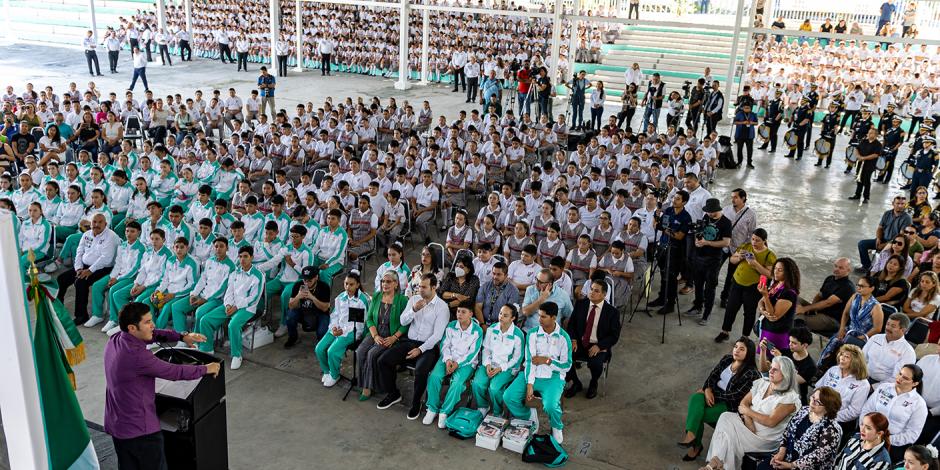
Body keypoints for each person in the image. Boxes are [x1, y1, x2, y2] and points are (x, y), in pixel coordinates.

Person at [104, 302, 219, 470]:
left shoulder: (116, 339)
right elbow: (174, 372)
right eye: (147, 322)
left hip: (118, 425)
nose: (153, 325)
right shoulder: (137, 356)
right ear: (132, 328)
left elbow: (153, 334)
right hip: (140, 430)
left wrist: (181, 336)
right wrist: (206, 368)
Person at [702, 356, 801, 470]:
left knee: (728, 432)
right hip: (748, 427)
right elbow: (744, 402)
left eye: (775, 369)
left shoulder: (789, 398)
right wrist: (749, 421)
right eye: (771, 368)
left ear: (785, 374)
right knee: (726, 418)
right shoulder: (763, 383)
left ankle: (714, 464)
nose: (770, 371)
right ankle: (717, 463)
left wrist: (747, 412)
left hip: (764, 438)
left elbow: (770, 421)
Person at [376, 273, 449, 420]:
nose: (420, 290)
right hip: (409, 342)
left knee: (421, 371)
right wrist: (413, 310)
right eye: (418, 286)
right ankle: (393, 394)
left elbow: (437, 336)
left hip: (428, 347)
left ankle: (416, 404)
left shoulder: (442, 307)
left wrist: (420, 350)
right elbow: (403, 322)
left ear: (434, 287)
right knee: (383, 360)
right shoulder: (414, 299)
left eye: (424, 287)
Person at [679, 338, 761, 461]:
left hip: (729, 404)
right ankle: (691, 436)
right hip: (713, 394)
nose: (736, 350)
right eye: (736, 346)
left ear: (748, 353)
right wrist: (707, 389)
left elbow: (735, 395)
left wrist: (711, 393)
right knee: (696, 397)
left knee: (699, 415)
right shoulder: (727, 359)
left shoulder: (751, 373)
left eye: (741, 349)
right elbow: (713, 375)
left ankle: (695, 445)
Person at [503, 301, 572, 444]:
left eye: (543, 317)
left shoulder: (563, 338)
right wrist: (529, 383)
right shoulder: (532, 334)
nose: (539, 320)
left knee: (551, 406)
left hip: (553, 377)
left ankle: (556, 426)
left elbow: (567, 365)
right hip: (531, 374)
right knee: (508, 396)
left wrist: (548, 361)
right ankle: (527, 416)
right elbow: (529, 361)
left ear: (554, 317)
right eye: (539, 316)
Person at [193, 245, 265, 370]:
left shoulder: (258, 275)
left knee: (233, 325)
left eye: (246, 257)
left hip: (247, 308)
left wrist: (236, 307)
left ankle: (237, 355)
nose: (242, 259)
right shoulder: (235, 272)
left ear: (252, 258)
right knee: (206, 319)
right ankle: (207, 349)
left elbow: (254, 298)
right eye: (240, 256)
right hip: (230, 305)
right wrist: (227, 304)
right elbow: (229, 292)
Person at [422, 300, 484, 427]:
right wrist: (449, 359)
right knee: (434, 377)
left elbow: (472, 353)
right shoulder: (451, 326)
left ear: (471, 314)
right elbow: (445, 345)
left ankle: (445, 411)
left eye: (463, 312)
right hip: (447, 359)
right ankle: (432, 408)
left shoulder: (477, 331)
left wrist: (457, 363)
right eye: (458, 311)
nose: (459, 314)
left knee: (457, 383)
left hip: (466, 363)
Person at [755, 387, 844, 470]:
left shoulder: (832, 429)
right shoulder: (804, 410)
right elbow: (787, 432)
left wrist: (791, 465)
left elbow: (818, 456)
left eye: (818, 402)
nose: (812, 402)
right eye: (813, 397)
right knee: (763, 467)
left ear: (828, 408)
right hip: (788, 456)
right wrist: (781, 452)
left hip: (806, 467)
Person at [716, 228, 776, 343]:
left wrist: (755, 263)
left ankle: (745, 336)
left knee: (749, 312)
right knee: (730, 308)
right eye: (753, 239)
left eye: (757, 240)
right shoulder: (746, 246)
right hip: (737, 282)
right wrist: (739, 257)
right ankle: (725, 331)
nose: (754, 242)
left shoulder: (769, 255)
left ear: (764, 241)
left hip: (752, 287)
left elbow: (769, 274)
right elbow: (732, 260)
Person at [356, 270, 409, 401]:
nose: (385, 284)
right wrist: (374, 336)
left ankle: (369, 387)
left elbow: (406, 324)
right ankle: (364, 383)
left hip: (391, 335)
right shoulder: (377, 296)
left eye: (388, 281)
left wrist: (394, 337)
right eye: (383, 281)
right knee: (360, 351)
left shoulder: (403, 300)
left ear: (396, 284)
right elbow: (369, 319)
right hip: (376, 332)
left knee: (372, 354)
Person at [57, 213, 119, 324]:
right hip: (84, 266)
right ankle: (58, 308)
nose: (97, 224)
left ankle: (81, 315)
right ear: (90, 224)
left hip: (104, 268)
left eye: (100, 222)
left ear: (105, 224)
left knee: (81, 282)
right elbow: (79, 252)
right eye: (94, 222)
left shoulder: (111, 236)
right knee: (61, 279)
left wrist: (89, 271)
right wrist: (78, 268)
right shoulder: (86, 234)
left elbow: (106, 259)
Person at [564, 279, 621, 400]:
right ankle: (576, 382)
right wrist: (573, 339)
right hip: (580, 343)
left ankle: (593, 382)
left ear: (604, 295)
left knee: (596, 363)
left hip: (598, 345)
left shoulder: (612, 312)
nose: (592, 293)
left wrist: (600, 346)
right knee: (563, 356)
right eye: (591, 289)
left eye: (596, 291)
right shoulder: (581, 304)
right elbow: (572, 325)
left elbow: (614, 335)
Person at [860, 364, 928, 461]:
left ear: (915, 383)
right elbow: (866, 409)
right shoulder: (883, 387)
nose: (899, 378)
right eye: (900, 374)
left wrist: (882, 439)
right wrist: (864, 429)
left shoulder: (919, 404)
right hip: (866, 433)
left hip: (892, 444)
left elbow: (912, 435)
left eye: (905, 378)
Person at [316, 271, 368, 387]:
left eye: (351, 284)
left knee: (332, 351)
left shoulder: (361, 301)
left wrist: (342, 331)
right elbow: (334, 315)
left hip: (352, 332)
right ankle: (327, 371)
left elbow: (359, 325)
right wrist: (334, 327)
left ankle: (335, 375)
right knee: (319, 348)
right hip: (338, 329)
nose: (348, 287)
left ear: (358, 285)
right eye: (346, 284)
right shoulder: (340, 297)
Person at [471, 303, 525, 416]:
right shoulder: (492, 329)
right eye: (500, 313)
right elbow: (486, 349)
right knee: (477, 383)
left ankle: (497, 411)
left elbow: (517, 358)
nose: (501, 317)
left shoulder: (518, 334)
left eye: (505, 315)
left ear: (513, 318)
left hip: (508, 368)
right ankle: (483, 406)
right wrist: (487, 364)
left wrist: (501, 368)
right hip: (490, 364)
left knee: (495, 388)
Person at [689, 198, 732, 324]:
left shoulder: (725, 222)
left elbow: (726, 242)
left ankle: (706, 314)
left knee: (710, 287)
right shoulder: (706, 217)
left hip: (713, 259)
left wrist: (707, 242)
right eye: (707, 212)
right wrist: (697, 240)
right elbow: (700, 232)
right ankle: (697, 306)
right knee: (698, 284)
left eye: (711, 212)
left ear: (717, 210)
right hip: (699, 256)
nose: (708, 214)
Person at [649, 190, 692, 315]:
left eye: (678, 199)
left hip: (675, 251)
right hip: (662, 246)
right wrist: (656, 218)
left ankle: (671, 303)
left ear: (684, 202)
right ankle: (662, 298)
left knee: (671, 277)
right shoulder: (668, 211)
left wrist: (665, 229)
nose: (674, 200)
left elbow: (679, 236)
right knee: (663, 274)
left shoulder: (686, 217)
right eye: (674, 198)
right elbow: (657, 226)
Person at [816, 344, 873, 434]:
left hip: (840, 422)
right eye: (841, 354)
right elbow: (818, 389)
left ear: (856, 361)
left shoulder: (863, 384)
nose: (842, 358)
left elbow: (854, 411)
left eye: (847, 357)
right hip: (818, 411)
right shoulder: (833, 370)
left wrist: (829, 416)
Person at [858, 195, 911, 273]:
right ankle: (866, 266)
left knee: (884, 251)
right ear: (893, 203)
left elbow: (900, 237)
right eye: (898, 203)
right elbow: (880, 228)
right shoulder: (887, 213)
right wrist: (878, 238)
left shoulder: (907, 218)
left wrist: (884, 245)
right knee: (862, 244)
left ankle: (881, 271)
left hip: (894, 243)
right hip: (882, 239)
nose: (900, 206)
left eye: (902, 204)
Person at [282, 265, 331, 348]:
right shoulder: (298, 285)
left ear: (316, 277)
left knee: (322, 332)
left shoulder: (324, 287)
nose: (306, 283)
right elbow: (291, 306)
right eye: (305, 280)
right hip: (303, 311)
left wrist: (312, 297)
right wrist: (298, 297)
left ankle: (322, 344)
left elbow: (325, 308)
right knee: (290, 316)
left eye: (309, 280)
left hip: (320, 313)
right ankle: (293, 337)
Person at [864, 313, 916, 383]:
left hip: (883, 385)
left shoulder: (908, 352)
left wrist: (875, 387)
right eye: (887, 324)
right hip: (863, 376)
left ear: (903, 330)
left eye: (893, 326)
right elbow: (862, 358)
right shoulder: (875, 338)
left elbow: (897, 378)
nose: (888, 328)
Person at [475, 261, 520, 329]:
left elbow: (509, 313)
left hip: (501, 326)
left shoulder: (513, 291)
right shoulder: (485, 286)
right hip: (482, 323)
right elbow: (478, 307)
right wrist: (482, 324)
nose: (495, 277)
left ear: (506, 275)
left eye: (499, 274)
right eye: (493, 273)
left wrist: (496, 328)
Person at [849, 127, 884, 204]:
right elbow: (857, 149)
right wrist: (858, 156)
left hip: (869, 165)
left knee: (866, 181)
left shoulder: (878, 144)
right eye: (868, 132)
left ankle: (866, 197)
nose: (868, 134)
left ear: (875, 135)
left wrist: (864, 158)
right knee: (859, 179)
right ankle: (857, 194)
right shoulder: (864, 141)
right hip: (860, 163)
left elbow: (876, 155)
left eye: (871, 133)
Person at [733, 103, 758, 168]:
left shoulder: (753, 114)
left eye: (748, 108)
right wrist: (742, 122)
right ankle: (739, 162)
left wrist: (751, 123)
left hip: (749, 135)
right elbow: (734, 122)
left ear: (750, 108)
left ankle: (749, 163)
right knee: (739, 149)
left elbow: (756, 122)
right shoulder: (739, 114)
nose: (746, 109)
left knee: (750, 150)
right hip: (740, 135)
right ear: (743, 108)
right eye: (745, 108)